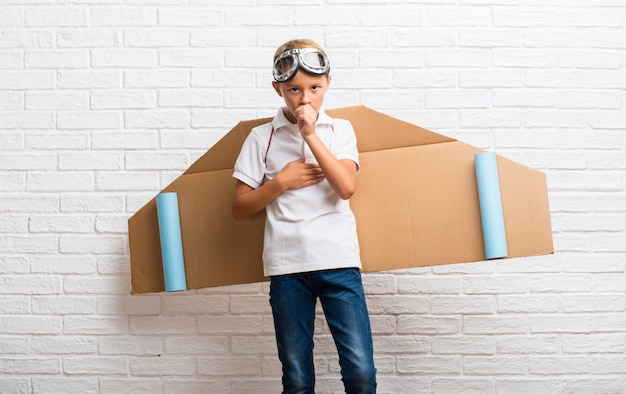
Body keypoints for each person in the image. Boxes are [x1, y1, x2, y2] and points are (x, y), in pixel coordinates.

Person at [231, 38, 377, 394]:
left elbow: (345, 187)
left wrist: (310, 134)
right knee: (296, 377)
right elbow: (239, 208)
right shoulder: (260, 137)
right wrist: (281, 182)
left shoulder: (339, 129)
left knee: (360, 371)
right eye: (294, 89)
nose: (305, 98)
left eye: (314, 88)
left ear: (328, 84)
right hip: (287, 268)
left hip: (338, 260)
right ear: (278, 88)